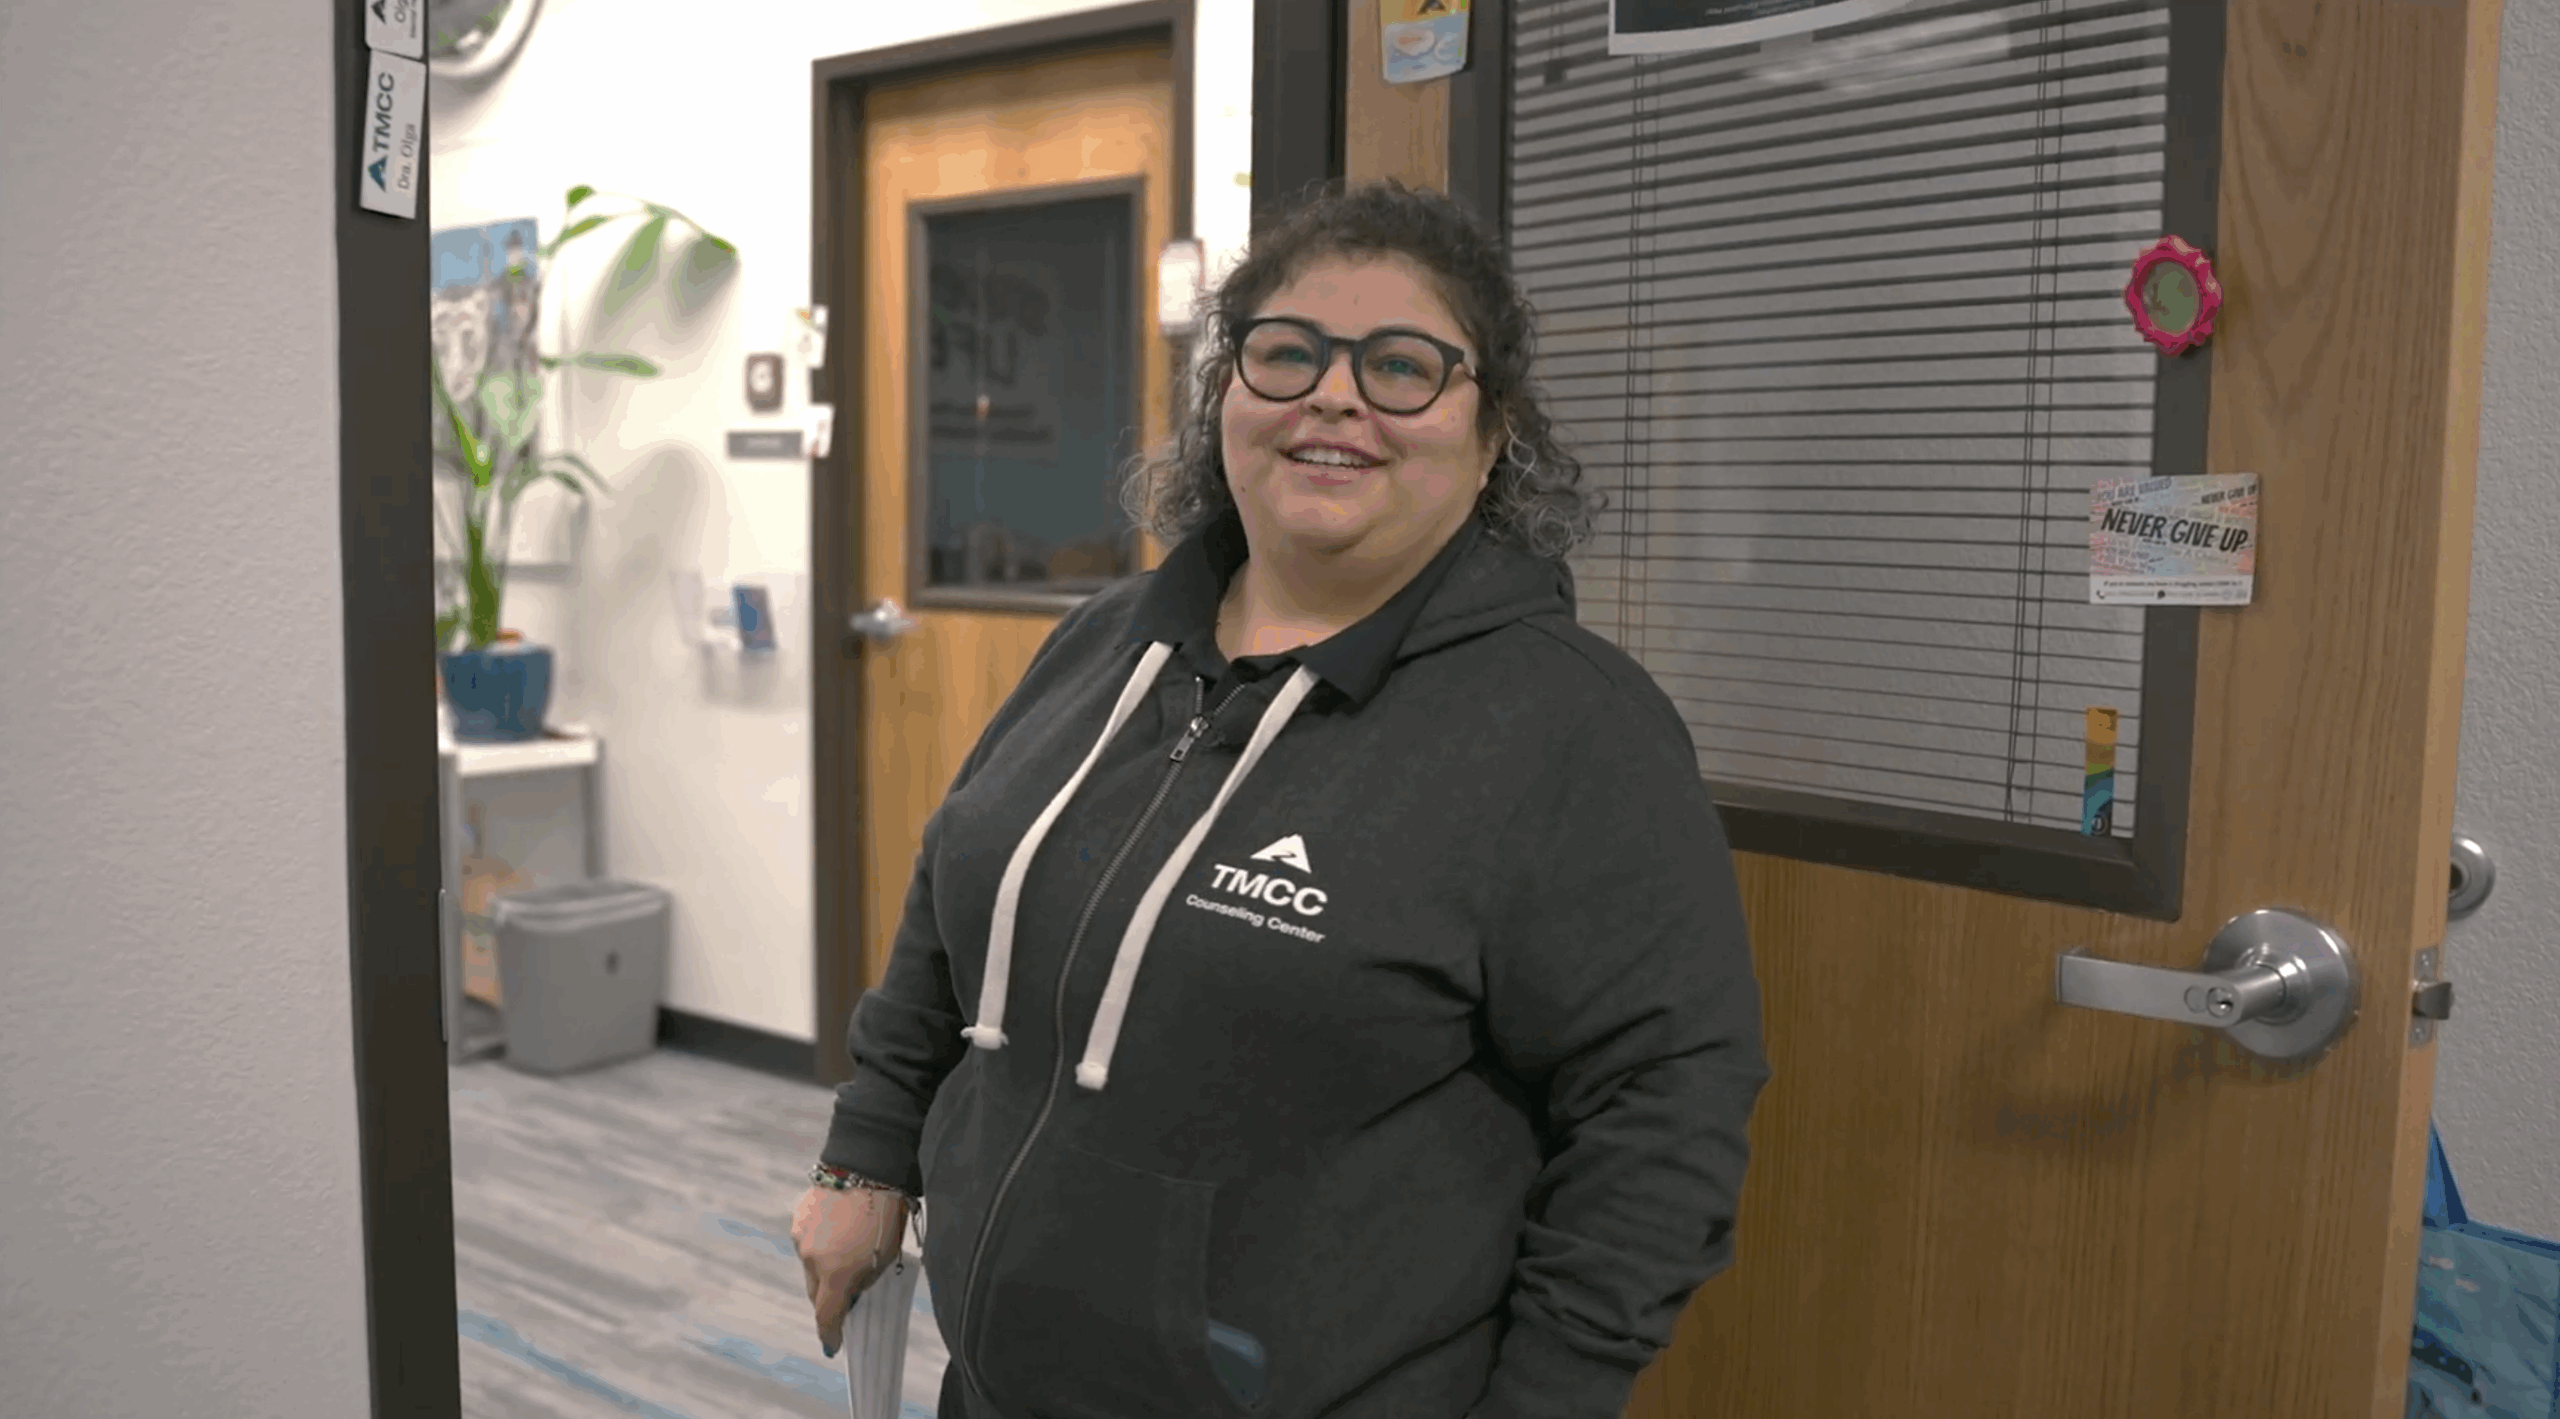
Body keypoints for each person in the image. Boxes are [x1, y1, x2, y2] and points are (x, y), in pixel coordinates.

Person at [791, 178, 1767, 1419]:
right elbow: (959, 880)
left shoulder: (1570, 729)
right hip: (998, 1381)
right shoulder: (1105, 643)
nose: (1335, 395)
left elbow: (1663, 1108)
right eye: (1287, 354)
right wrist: (866, 1152)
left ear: (1492, 431)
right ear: (1226, 399)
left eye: (1403, 365)